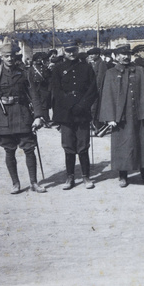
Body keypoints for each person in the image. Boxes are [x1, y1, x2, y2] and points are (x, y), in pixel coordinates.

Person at [0, 41, 46, 194]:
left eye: (12, 56)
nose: (10, 59)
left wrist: (38, 116)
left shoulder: (24, 73)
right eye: (6, 56)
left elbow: (34, 96)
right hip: (4, 118)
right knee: (9, 150)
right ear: (2, 57)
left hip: (23, 115)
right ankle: (15, 183)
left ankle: (33, 182)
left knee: (29, 149)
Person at [99, 46, 144, 187]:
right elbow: (107, 96)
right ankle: (123, 176)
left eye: (128, 54)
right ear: (116, 55)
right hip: (121, 116)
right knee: (122, 145)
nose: (126, 57)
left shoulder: (140, 71)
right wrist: (110, 117)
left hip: (139, 114)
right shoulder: (110, 73)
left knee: (143, 143)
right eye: (122, 54)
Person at [51, 45, 98, 190]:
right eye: (68, 51)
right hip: (66, 114)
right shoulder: (58, 69)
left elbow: (93, 89)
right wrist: (69, 105)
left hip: (82, 113)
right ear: (64, 51)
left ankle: (86, 177)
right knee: (68, 146)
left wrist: (82, 105)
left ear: (78, 51)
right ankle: (70, 177)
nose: (71, 53)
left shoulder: (86, 68)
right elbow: (56, 91)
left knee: (83, 146)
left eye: (74, 50)